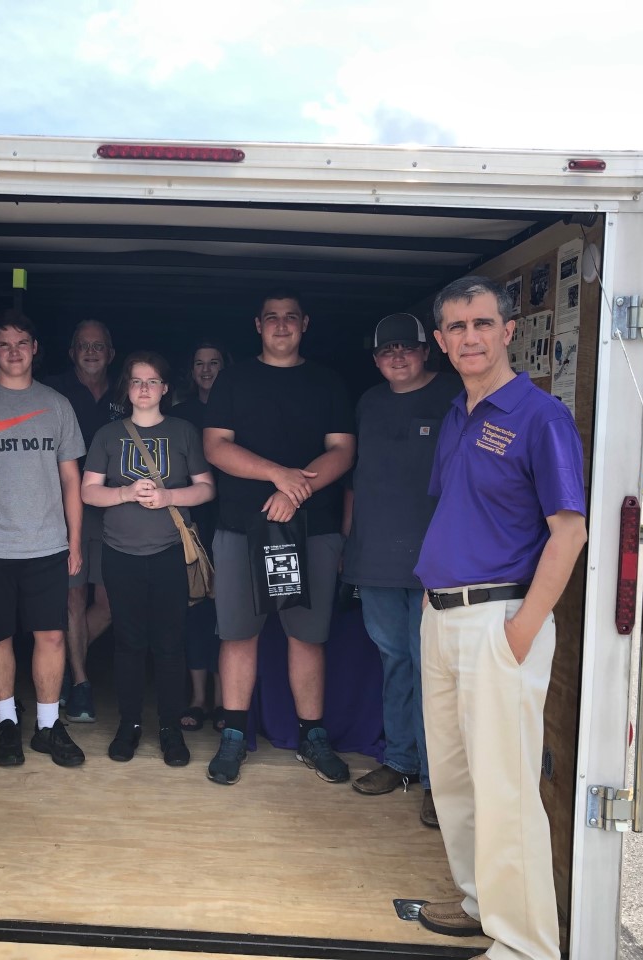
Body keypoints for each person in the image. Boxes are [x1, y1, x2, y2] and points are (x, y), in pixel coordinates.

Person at [414, 276, 587, 960]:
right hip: (441, 616)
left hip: (499, 619)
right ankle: (480, 902)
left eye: (482, 324)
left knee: (506, 786)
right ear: (440, 340)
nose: (469, 338)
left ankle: (524, 945)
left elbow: (568, 532)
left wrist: (522, 630)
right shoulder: (458, 413)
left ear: (509, 330)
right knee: (455, 778)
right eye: (455, 328)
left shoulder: (539, 416)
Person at [202, 291, 356, 786]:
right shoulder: (234, 378)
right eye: (272, 318)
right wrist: (279, 476)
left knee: (307, 636)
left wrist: (298, 490)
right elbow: (216, 447)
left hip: (311, 529)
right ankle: (233, 735)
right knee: (238, 634)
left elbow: (343, 452)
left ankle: (312, 735)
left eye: (291, 318)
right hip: (241, 528)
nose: (282, 326)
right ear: (258, 325)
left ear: (305, 324)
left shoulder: (328, 381)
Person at [0, 310, 87, 768]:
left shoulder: (57, 404)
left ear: (35, 348)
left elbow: (72, 480)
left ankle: (48, 726)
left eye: (22, 343)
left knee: (51, 635)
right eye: (4, 344)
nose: (13, 352)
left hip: (47, 543)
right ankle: (6, 722)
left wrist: (76, 541)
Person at [342, 313, 460, 828]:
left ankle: (440, 784)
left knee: (432, 669)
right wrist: (351, 544)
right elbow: (356, 480)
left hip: (437, 560)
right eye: (386, 350)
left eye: (406, 348)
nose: (397, 357)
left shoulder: (454, 395)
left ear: (426, 350)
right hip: (376, 559)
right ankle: (400, 761)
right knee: (395, 662)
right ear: (374, 358)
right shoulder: (368, 401)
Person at [82, 351, 215, 765]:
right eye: (136, 381)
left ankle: (171, 729)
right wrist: (123, 493)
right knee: (129, 644)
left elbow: (207, 487)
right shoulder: (107, 435)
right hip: (119, 553)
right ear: (128, 387)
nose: (143, 388)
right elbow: (88, 491)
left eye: (152, 381)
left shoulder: (184, 431)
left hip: (170, 554)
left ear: (165, 388)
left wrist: (167, 497)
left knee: (170, 645)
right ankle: (129, 724)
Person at [44, 321, 123, 723]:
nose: (91, 352)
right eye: (83, 346)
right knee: (73, 598)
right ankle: (79, 684)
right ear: (72, 352)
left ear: (110, 353)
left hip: (117, 510)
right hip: (63, 508)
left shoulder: (126, 391)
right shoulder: (51, 390)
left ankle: (52, 663)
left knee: (108, 604)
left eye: (99, 346)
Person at [169, 341, 230, 730]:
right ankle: (196, 699)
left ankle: (225, 702)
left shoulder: (241, 407)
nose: (206, 370)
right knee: (194, 610)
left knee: (230, 613)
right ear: (190, 371)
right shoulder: (180, 415)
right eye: (199, 363)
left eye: (214, 363)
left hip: (233, 521)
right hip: (189, 523)